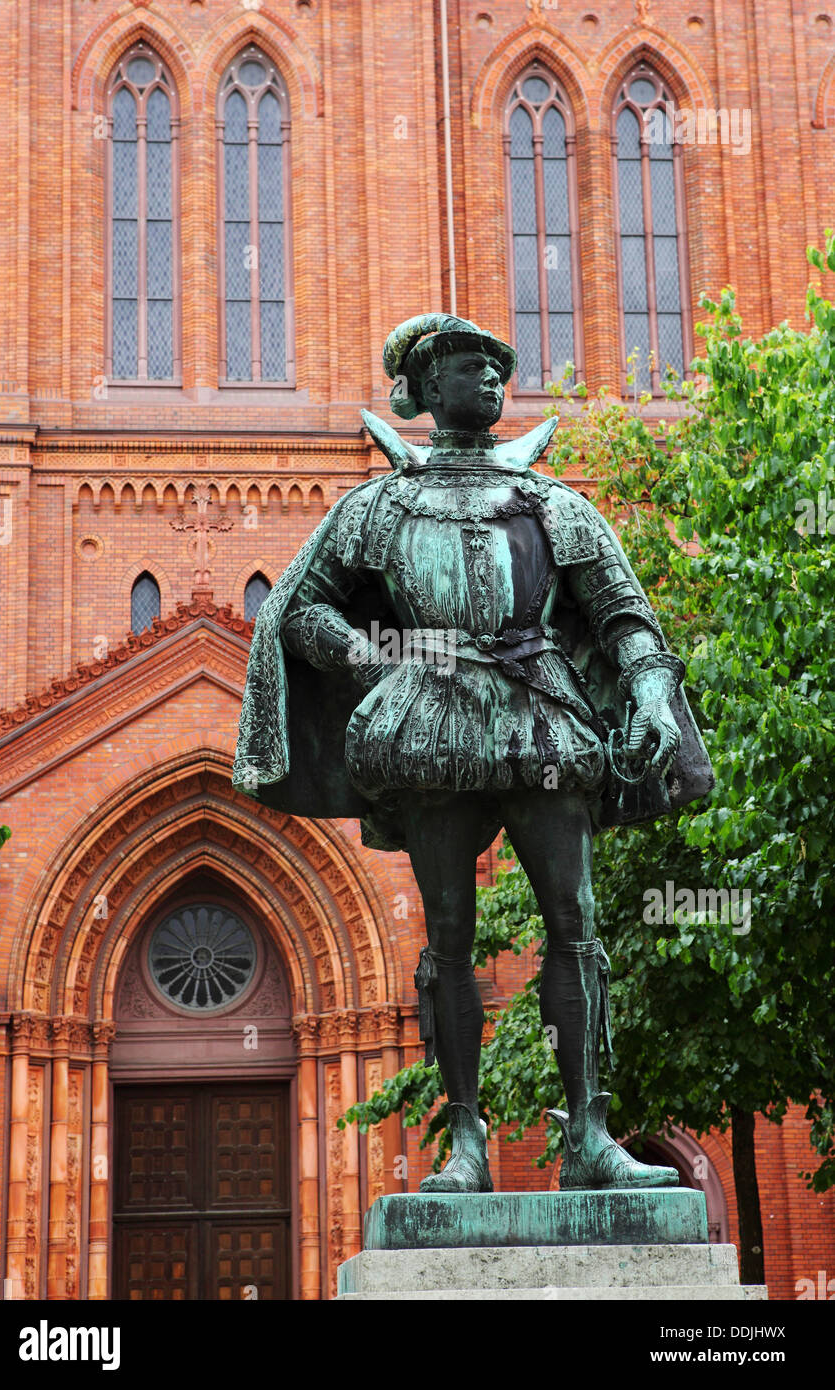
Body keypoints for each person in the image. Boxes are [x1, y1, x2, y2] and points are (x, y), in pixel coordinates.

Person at [234, 313, 713, 1192]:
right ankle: (464, 1144)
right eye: (466, 366)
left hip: (542, 722)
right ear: (424, 389)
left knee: (575, 927)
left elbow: (624, 618)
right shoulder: (380, 505)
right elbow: (300, 610)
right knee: (449, 937)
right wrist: (380, 656)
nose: (488, 380)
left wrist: (649, 689)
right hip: (432, 730)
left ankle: (590, 1137)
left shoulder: (553, 503)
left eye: (496, 368)